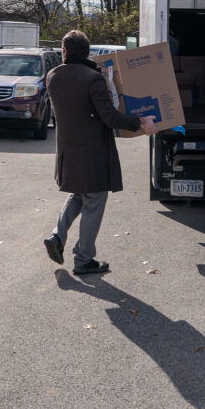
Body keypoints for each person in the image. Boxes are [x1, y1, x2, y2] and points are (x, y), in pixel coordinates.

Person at [43, 30, 157, 275]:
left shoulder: (52, 76)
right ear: (87, 52)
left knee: (77, 196)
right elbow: (110, 117)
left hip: (67, 151)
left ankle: (57, 236)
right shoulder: (92, 79)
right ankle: (84, 259)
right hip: (91, 154)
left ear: (64, 51)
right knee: (94, 201)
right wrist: (140, 121)